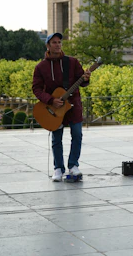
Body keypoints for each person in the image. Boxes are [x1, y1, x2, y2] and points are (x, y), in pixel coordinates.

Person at [32, 33, 91, 182]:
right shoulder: (41, 67)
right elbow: (37, 89)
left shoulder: (72, 62)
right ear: (48, 45)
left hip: (73, 106)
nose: (58, 45)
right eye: (54, 42)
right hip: (54, 108)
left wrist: (86, 79)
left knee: (77, 135)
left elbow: (81, 81)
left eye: (59, 42)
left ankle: (73, 166)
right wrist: (51, 100)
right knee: (56, 139)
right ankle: (58, 168)